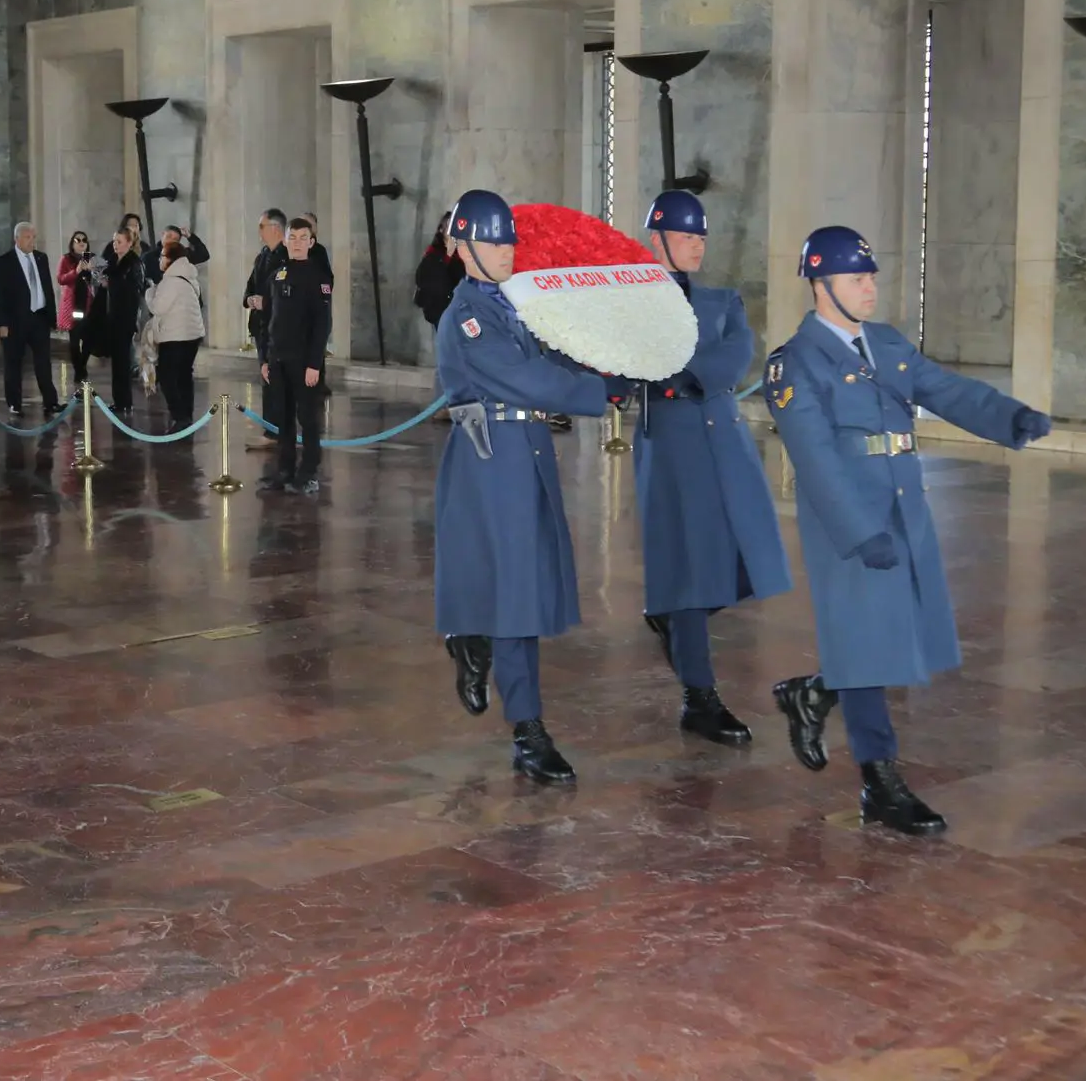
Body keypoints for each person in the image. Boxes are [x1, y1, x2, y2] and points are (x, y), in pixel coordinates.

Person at [767, 226, 1052, 836]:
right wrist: (857, 531)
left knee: (893, 635)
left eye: (871, 276)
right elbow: (813, 457)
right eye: (855, 279)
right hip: (851, 517)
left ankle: (814, 692)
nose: (869, 288)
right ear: (820, 285)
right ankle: (881, 783)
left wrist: (1010, 417)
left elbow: (945, 390)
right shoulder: (795, 363)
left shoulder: (887, 344)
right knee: (870, 644)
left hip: (902, 505)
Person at [432, 190, 617, 785]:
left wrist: (604, 367)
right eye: (491, 240)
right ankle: (527, 729)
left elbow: (551, 362)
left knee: (523, 583)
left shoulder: (510, 305)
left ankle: (469, 635)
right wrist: (601, 392)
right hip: (493, 460)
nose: (506, 250)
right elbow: (525, 378)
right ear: (461, 249)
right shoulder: (466, 316)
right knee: (516, 592)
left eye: (509, 239)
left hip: (525, 453)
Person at [625, 190, 792, 747]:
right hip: (670, 444)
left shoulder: (723, 301)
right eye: (686, 236)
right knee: (688, 570)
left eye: (701, 237)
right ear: (659, 240)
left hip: (723, 440)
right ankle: (700, 696)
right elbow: (615, 365)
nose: (696, 245)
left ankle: (671, 615)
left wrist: (678, 373)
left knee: (750, 550)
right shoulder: (631, 299)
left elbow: (736, 353)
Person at [257, 216, 332, 494]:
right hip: (278, 359)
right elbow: (267, 319)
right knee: (283, 418)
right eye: (293, 237)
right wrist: (265, 358)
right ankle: (285, 470)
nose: (297, 243)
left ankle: (309, 471)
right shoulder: (276, 275)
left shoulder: (318, 277)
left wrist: (314, 363)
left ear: (311, 243)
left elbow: (321, 325)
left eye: (303, 238)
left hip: (304, 362)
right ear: (286, 240)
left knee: (308, 418)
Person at [0, 222, 62, 418]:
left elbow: (47, 288)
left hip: (39, 318)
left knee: (43, 362)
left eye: (34, 237)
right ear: (17, 239)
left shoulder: (41, 258)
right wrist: (1, 323)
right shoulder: (5, 261)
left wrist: (52, 317)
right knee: (13, 363)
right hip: (15, 321)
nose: (32, 241)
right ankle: (14, 403)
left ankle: (51, 402)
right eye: (28, 237)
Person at [147, 239, 206, 431]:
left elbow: (157, 307)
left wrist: (150, 292)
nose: (160, 259)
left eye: (162, 256)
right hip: (193, 334)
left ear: (171, 259)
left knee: (166, 376)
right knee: (184, 375)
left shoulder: (171, 280)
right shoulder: (189, 275)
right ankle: (186, 415)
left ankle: (179, 416)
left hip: (175, 336)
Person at [96, 227, 145, 415]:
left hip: (125, 318)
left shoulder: (133, 262)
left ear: (129, 242)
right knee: (117, 363)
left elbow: (135, 291)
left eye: (119, 242)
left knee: (122, 363)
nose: (115, 245)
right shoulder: (115, 261)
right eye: (114, 241)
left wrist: (112, 282)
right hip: (114, 317)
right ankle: (120, 400)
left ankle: (124, 401)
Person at [57, 231, 97, 387]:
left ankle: (82, 367)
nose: (81, 243)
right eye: (77, 240)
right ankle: (79, 371)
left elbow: (100, 279)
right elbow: (61, 279)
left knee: (89, 339)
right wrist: (77, 270)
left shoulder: (91, 257)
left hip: (89, 305)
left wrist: (94, 271)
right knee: (74, 340)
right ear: (72, 243)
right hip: (74, 304)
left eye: (84, 240)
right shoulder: (66, 259)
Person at [413, 214, 464, 328]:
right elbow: (433, 282)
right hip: (442, 312)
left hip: (460, 311)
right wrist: (448, 255)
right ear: (441, 230)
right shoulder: (433, 254)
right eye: (450, 228)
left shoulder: (463, 254)